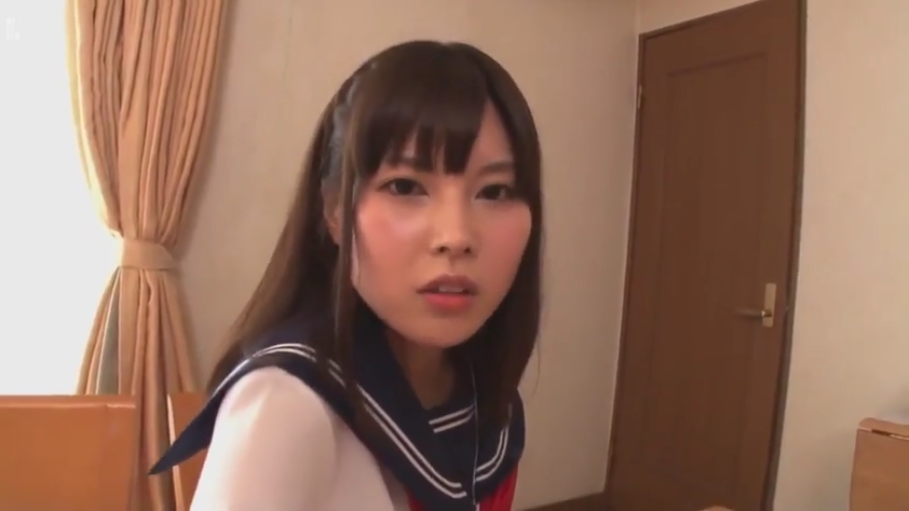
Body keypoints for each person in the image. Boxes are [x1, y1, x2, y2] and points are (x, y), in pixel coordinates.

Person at [151, 39, 543, 511]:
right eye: (405, 186)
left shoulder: (484, 391)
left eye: (495, 191)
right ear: (335, 211)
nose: (456, 236)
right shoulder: (287, 406)